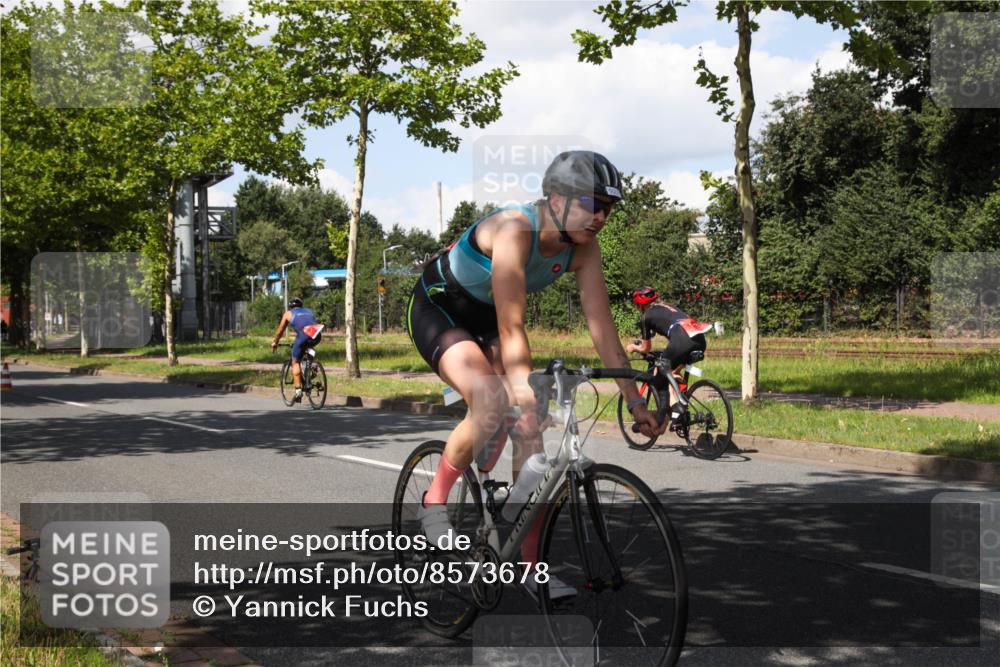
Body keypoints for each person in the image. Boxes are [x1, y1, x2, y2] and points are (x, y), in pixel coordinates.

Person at [405, 150, 664, 600]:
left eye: (609, 207)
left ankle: (528, 567)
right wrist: (522, 386)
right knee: (491, 398)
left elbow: (602, 328)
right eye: (592, 203)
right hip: (440, 309)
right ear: (556, 199)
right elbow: (512, 325)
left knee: (533, 431)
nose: (601, 216)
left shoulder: (584, 247)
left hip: (487, 322)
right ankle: (435, 500)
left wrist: (634, 399)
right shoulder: (514, 229)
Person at [625, 286, 713, 411]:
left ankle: (674, 408)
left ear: (640, 305)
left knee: (659, 372)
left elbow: (645, 348)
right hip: (699, 338)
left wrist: (633, 347)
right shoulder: (667, 307)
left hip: (682, 341)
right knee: (671, 372)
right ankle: (680, 398)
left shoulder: (646, 317)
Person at [271, 297, 324, 402]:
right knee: (308, 349)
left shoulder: (288, 313)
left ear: (291, 306)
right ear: (301, 305)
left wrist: (275, 342)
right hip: (316, 335)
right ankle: (312, 367)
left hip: (303, 336)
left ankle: (298, 391)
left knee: (295, 361)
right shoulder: (309, 311)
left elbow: (280, 330)